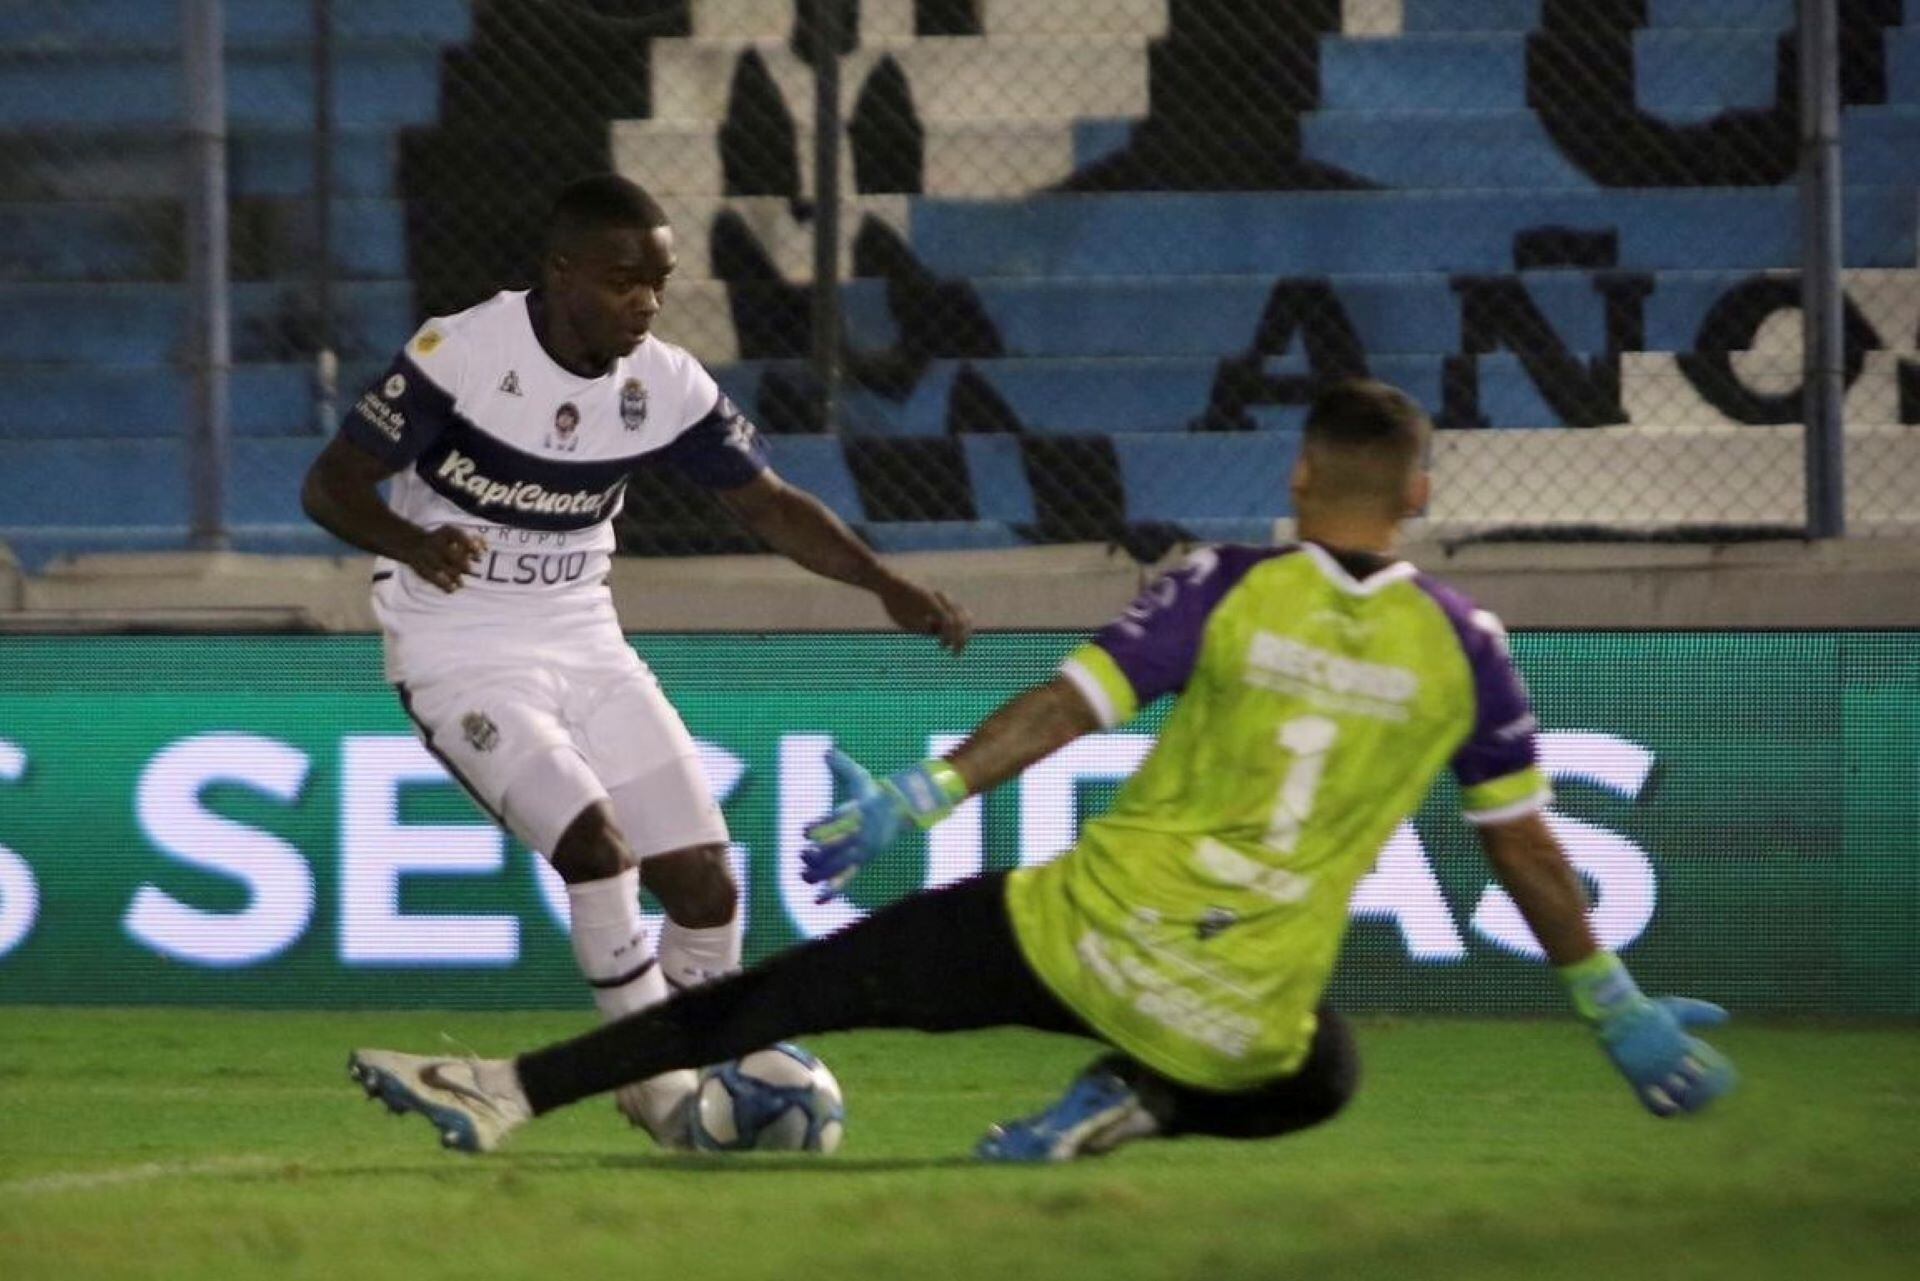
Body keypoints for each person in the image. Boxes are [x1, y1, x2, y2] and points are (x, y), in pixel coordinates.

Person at [344, 379, 1735, 1159]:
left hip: (1070, 935)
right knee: (1324, 1074)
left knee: (780, 993)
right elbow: (1529, 850)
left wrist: (917, 797)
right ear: (1423, 492)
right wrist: (1611, 1010)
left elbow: (1064, 708)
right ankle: (1149, 1095)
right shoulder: (1468, 648)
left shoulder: (1228, 586)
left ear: (1304, 478)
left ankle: (510, 1090)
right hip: (1243, 1009)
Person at [304, 173, 971, 1146]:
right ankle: (665, 1092)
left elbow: (769, 503)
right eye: (623, 281)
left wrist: (882, 582)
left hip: (585, 640)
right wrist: (413, 545)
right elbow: (330, 486)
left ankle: (679, 1077)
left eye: (657, 282)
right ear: (561, 272)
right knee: (597, 850)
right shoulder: (465, 354)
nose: (645, 303)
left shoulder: (663, 384)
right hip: (460, 652)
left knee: (707, 888)